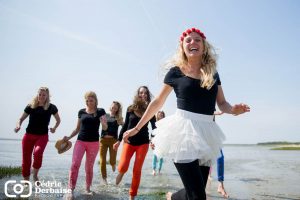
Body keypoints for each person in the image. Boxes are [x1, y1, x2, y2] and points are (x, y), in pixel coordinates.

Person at [122, 27, 250, 200]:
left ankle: (173, 197)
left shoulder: (212, 73)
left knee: (195, 193)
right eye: (188, 40)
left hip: (207, 132)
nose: (192, 42)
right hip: (183, 133)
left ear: (203, 46)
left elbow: (222, 103)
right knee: (198, 196)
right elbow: (158, 102)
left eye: (197, 40)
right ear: (182, 47)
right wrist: (137, 128)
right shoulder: (176, 72)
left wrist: (234, 110)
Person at [113, 86, 156, 200]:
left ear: (147, 95)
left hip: (143, 143)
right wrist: (118, 141)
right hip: (129, 141)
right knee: (123, 166)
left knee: (137, 170)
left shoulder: (150, 110)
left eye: (145, 93)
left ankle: (132, 196)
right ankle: (121, 172)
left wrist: (153, 140)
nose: (143, 95)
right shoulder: (130, 109)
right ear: (137, 95)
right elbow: (126, 125)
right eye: (141, 93)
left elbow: (155, 127)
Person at [64, 91, 107, 198]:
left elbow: (105, 128)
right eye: (87, 100)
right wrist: (69, 137)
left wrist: (104, 123)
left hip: (93, 143)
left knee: (89, 167)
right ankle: (70, 189)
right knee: (75, 164)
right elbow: (77, 128)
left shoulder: (100, 111)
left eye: (91, 100)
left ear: (95, 101)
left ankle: (88, 188)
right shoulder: (81, 112)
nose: (88, 102)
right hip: (80, 141)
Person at [14, 87, 61, 184]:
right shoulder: (31, 106)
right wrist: (18, 126)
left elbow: (58, 120)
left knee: (38, 152)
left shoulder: (51, 107)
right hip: (28, 136)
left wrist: (54, 128)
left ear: (47, 96)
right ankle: (26, 181)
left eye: (44, 95)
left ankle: (35, 174)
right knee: (26, 160)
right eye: (40, 94)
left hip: (42, 136)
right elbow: (21, 119)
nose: (41, 96)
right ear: (37, 95)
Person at [99, 101, 124, 184]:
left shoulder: (118, 118)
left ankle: (113, 164)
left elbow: (125, 126)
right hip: (103, 140)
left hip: (113, 141)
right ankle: (104, 178)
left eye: (115, 108)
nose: (113, 109)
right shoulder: (104, 115)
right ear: (110, 107)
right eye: (113, 107)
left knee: (112, 160)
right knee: (102, 160)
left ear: (117, 110)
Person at [213, 111, 229, 199]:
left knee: (220, 157)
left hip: (212, 130)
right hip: (199, 131)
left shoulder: (211, 97)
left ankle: (220, 185)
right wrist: (215, 112)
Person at [152, 111, 165, 176]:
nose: (161, 116)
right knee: (155, 156)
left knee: (161, 157)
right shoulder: (155, 123)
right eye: (159, 115)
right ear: (157, 116)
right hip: (156, 140)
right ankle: (154, 170)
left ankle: (159, 170)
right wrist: (151, 142)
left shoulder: (165, 123)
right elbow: (153, 132)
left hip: (162, 141)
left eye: (162, 115)